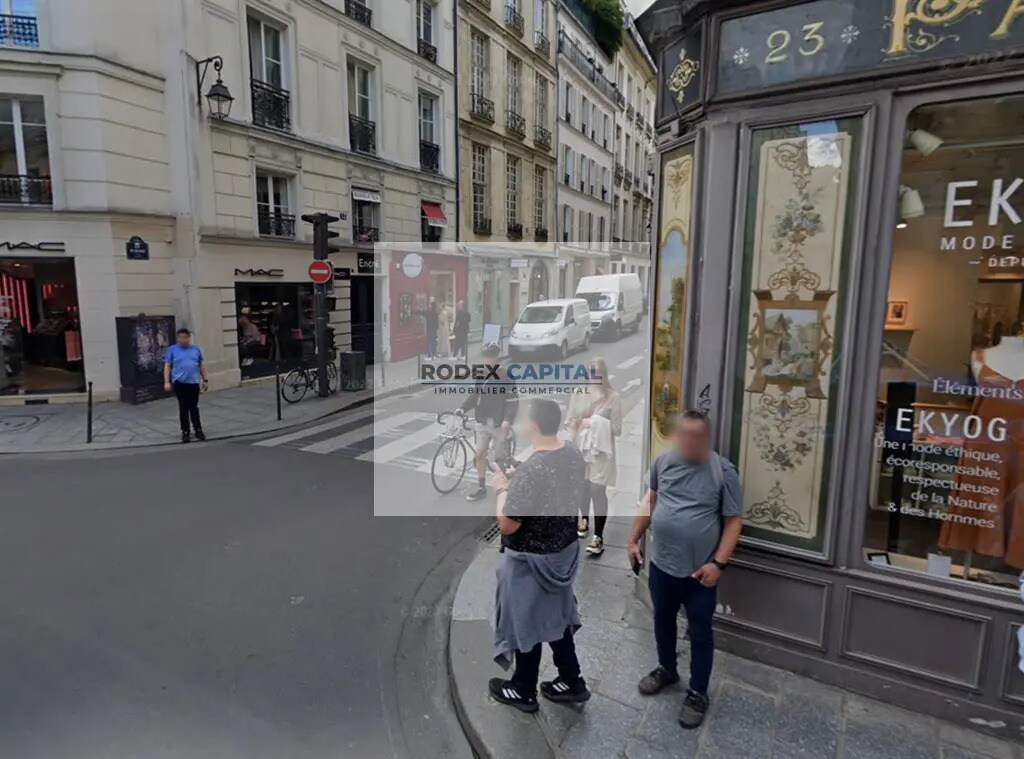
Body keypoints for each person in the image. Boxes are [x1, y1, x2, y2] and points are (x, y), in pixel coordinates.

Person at [627, 411, 743, 729]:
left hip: (698, 574)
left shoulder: (723, 471)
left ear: (706, 438)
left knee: (701, 632)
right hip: (662, 566)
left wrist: (718, 563)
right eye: (684, 434)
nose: (689, 441)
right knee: (662, 620)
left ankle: (697, 692)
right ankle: (667, 668)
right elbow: (650, 501)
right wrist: (633, 539)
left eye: (696, 435)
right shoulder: (663, 463)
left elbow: (734, 521)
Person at [490, 398, 591, 713]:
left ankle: (523, 689)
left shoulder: (533, 469)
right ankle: (571, 679)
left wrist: (503, 489)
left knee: (526, 621)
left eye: (524, 418)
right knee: (557, 618)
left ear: (533, 425)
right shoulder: (572, 452)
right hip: (563, 553)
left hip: (531, 559)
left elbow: (507, 524)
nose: (520, 422)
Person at [564, 357, 622, 555]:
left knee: (597, 491)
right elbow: (571, 420)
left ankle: (598, 536)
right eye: (591, 373)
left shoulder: (613, 397)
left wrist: (596, 422)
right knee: (582, 489)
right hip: (581, 449)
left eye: (598, 373)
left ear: (604, 375)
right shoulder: (578, 393)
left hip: (600, 453)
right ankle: (584, 520)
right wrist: (569, 446)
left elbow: (617, 429)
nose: (594, 377)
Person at [462, 343, 518, 500]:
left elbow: (512, 400)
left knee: (498, 458)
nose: (487, 360)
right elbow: (475, 395)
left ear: (496, 357)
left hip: (499, 422)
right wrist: (462, 408)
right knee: (480, 454)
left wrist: (508, 420)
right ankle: (481, 488)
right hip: (482, 421)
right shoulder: (481, 374)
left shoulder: (506, 376)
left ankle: (503, 487)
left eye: (490, 357)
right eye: (485, 357)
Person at [163, 328, 208, 443]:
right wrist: (167, 381)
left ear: (189, 338)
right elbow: (167, 366)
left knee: (194, 407)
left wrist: (205, 379)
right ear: (178, 338)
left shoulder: (195, 349)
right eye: (181, 337)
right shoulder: (172, 350)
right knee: (183, 407)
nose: (184, 340)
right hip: (180, 382)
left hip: (193, 382)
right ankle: (185, 431)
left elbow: (201, 365)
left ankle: (198, 429)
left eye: (186, 337)